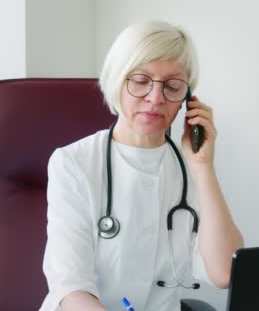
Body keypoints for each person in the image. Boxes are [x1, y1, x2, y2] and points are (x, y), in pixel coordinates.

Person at [39, 21, 244, 311]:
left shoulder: (190, 170)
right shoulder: (73, 163)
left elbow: (225, 273)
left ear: (187, 99)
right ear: (116, 80)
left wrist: (203, 168)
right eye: (140, 80)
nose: (156, 98)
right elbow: (71, 288)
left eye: (173, 86)